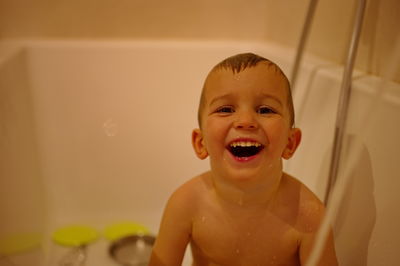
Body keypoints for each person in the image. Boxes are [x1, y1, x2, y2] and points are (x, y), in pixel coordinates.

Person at [149, 53, 338, 266]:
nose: (246, 121)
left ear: (290, 143)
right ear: (201, 143)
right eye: (226, 109)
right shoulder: (186, 204)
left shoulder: (309, 215)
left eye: (265, 110)